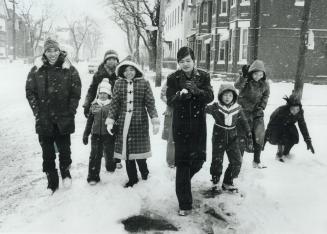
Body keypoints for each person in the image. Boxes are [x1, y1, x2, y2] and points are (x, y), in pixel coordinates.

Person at [25, 38, 81, 193]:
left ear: (59, 51)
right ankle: (52, 180)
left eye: (55, 50)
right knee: (47, 153)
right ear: (44, 52)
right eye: (49, 50)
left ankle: (65, 173)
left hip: (64, 118)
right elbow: (30, 92)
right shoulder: (36, 69)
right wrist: (37, 111)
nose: (52, 54)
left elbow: (76, 92)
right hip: (44, 119)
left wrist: (71, 111)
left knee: (65, 149)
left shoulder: (69, 68)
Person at [166, 47, 214, 216]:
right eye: (181, 61)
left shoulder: (204, 76)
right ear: (178, 63)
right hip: (180, 125)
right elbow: (169, 99)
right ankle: (184, 203)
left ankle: (183, 181)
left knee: (199, 160)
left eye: (188, 60)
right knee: (183, 163)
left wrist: (197, 91)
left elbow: (210, 97)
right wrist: (180, 96)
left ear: (194, 61)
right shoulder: (173, 78)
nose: (185, 64)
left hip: (198, 125)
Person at [105, 59, 160, 188]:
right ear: (122, 72)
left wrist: (155, 120)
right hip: (123, 122)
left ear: (136, 70)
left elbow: (150, 103)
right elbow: (115, 104)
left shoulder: (144, 83)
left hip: (139, 122)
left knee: (140, 153)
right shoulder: (118, 84)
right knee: (128, 154)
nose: (128, 72)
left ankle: (145, 174)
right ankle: (133, 179)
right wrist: (110, 121)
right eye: (126, 70)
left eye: (131, 69)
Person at [205, 84, 253, 192]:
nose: (227, 97)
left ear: (234, 97)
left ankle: (228, 181)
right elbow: (202, 109)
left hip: (233, 137)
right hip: (218, 136)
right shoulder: (216, 107)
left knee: (237, 161)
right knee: (217, 160)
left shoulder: (237, 108)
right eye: (225, 95)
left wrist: (248, 132)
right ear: (220, 96)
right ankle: (215, 181)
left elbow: (244, 121)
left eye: (230, 95)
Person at [83, 49, 122, 169]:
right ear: (105, 61)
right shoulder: (98, 74)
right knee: (102, 131)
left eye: (114, 59)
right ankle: (103, 155)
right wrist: (87, 104)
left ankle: (116, 158)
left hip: (116, 105)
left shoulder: (120, 73)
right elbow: (91, 90)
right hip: (101, 105)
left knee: (115, 132)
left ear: (117, 61)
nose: (112, 61)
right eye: (109, 59)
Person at [234, 60, 270, 169]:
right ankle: (238, 161)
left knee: (259, 135)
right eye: (255, 74)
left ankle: (256, 161)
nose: (257, 76)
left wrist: (262, 106)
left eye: (260, 74)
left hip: (257, 112)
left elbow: (266, 95)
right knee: (242, 136)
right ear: (251, 73)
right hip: (243, 112)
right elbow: (237, 86)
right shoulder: (246, 81)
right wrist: (243, 77)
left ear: (263, 74)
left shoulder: (265, 84)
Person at [83, 79, 116, 184]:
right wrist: (86, 133)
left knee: (109, 153)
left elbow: (116, 119)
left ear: (109, 94)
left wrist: (115, 129)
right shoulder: (94, 105)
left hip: (108, 135)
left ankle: (110, 166)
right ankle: (93, 176)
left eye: (105, 93)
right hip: (96, 135)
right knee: (95, 155)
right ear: (98, 94)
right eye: (101, 93)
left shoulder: (112, 106)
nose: (102, 95)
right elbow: (89, 122)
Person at [264, 94, 315, 162]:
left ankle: (286, 153)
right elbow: (270, 124)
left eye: (297, 109)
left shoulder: (300, 113)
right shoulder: (281, 111)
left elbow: (303, 126)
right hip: (276, 127)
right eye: (292, 109)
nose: (294, 111)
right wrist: (265, 139)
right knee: (282, 137)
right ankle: (279, 154)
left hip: (289, 126)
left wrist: (308, 141)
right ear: (288, 107)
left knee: (294, 137)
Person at [160, 81, 175, 168]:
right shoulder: (172, 78)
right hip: (172, 111)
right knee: (172, 137)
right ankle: (171, 161)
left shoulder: (194, 77)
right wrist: (171, 102)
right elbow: (162, 94)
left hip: (188, 113)